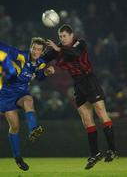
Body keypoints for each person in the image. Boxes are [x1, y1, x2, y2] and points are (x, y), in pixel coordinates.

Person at [43, 24, 117, 169]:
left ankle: (112, 150)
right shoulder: (59, 48)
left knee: (101, 112)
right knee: (85, 118)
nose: (62, 39)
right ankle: (95, 153)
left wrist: (58, 49)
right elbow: (46, 58)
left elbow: (75, 54)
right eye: (60, 36)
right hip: (78, 84)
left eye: (64, 36)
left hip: (89, 80)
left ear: (71, 35)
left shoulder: (80, 43)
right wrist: (38, 59)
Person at [0, 37, 54, 171]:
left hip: (21, 93)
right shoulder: (22, 56)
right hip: (5, 95)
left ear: (42, 52)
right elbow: (9, 50)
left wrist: (46, 72)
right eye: (34, 48)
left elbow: (40, 75)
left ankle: (33, 129)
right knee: (14, 126)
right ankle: (18, 158)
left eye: (39, 50)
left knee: (29, 101)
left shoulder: (40, 63)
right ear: (30, 48)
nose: (35, 51)